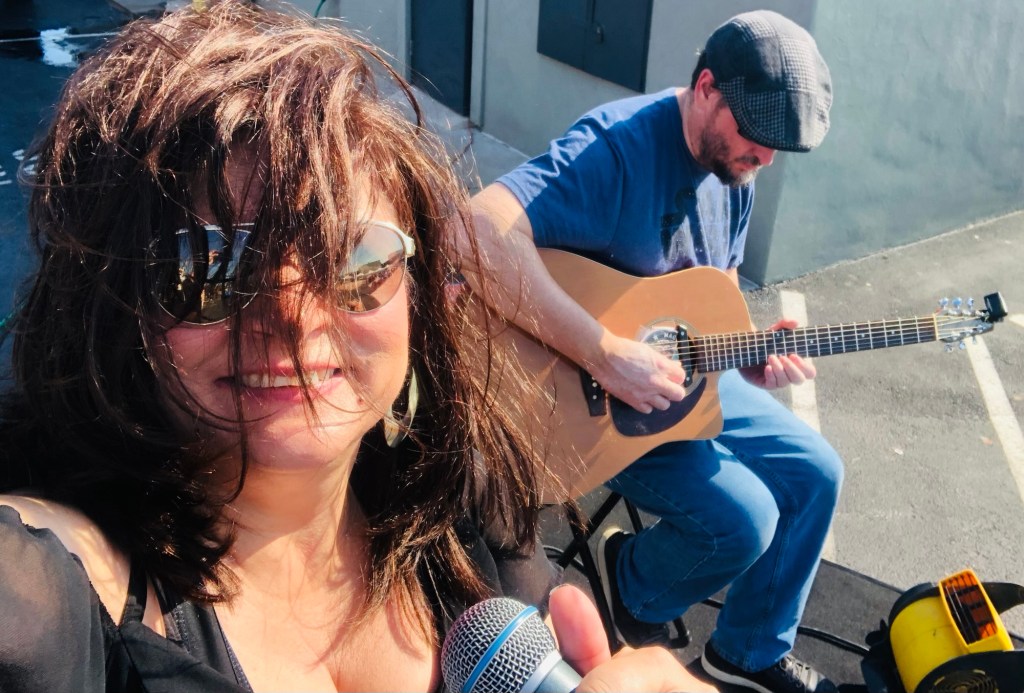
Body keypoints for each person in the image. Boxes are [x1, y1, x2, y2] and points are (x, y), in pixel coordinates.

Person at [0, 3, 714, 691]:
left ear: (418, 295)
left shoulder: (462, 508)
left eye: (350, 256)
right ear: (113, 306)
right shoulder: (60, 600)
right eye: (213, 265)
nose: (291, 315)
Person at [463, 10, 843, 693]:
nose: (764, 158)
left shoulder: (736, 171)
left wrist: (744, 352)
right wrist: (606, 353)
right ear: (707, 88)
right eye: (757, 136)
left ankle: (746, 651)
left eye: (778, 147)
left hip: (681, 380)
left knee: (818, 471)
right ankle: (635, 584)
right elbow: (476, 233)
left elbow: (712, 290)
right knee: (747, 519)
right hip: (593, 402)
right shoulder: (613, 149)